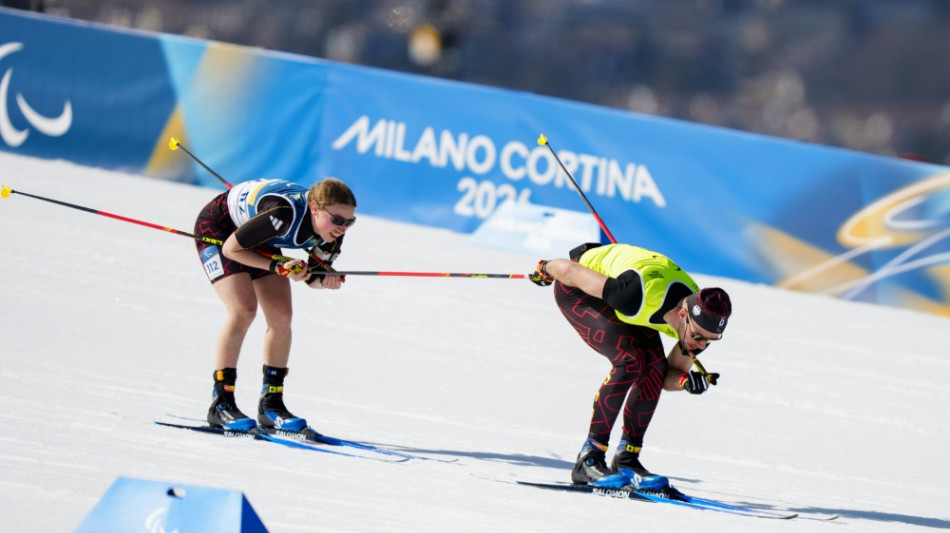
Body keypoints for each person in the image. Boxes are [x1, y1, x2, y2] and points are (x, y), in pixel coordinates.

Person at [528, 242, 732, 485]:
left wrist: (685, 382)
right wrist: (546, 267)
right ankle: (589, 458)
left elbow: (666, 378)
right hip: (578, 287)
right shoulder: (634, 295)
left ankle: (627, 460)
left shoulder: (699, 326)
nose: (700, 345)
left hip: (629, 291)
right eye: (698, 336)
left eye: (711, 340)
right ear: (681, 315)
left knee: (654, 367)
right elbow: (570, 271)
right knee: (630, 361)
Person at [193, 177, 357, 432]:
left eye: (350, 222)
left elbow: (312, 278)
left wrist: (326, 280)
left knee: (281, 318)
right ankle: (221, 403)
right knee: (243, 311)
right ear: (315, 208)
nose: (343, 228)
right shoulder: (282, 214)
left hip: (263, 239)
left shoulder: (332, 233)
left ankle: (271, 405)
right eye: (337, 220)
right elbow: (231, 250)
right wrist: (278, 266)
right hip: (222, 232)